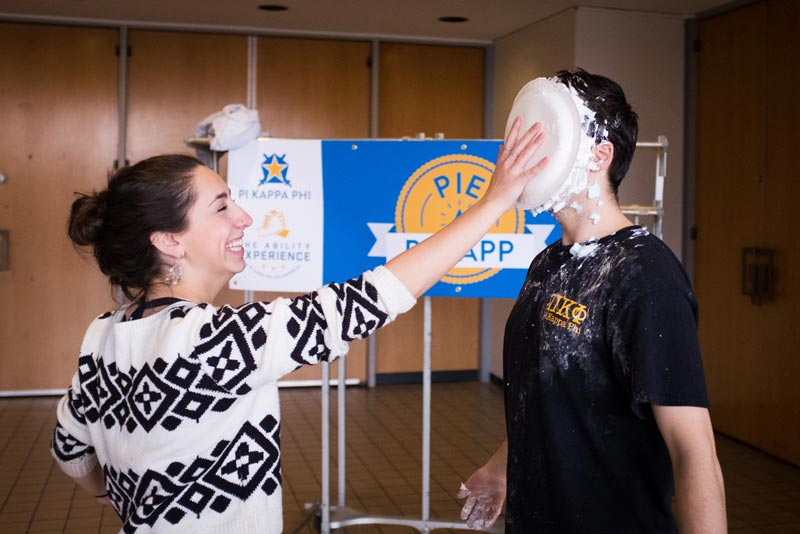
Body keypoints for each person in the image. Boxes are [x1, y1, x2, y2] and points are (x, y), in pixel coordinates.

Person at [49, 119, 548, 533]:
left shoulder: (102, 335)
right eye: (222, 207)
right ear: (169, 242)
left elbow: (70, 452)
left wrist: (135, 498)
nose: (244, 217)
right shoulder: (218, 341)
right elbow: (376, 296)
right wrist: (494, 202)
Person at [457, 69, 727, 534]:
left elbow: (693, 448)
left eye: (543, 140)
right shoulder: (548, 263)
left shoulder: (645, 277)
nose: (519, 156)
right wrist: (500, 468)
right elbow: (548, 394)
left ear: (600, 155)